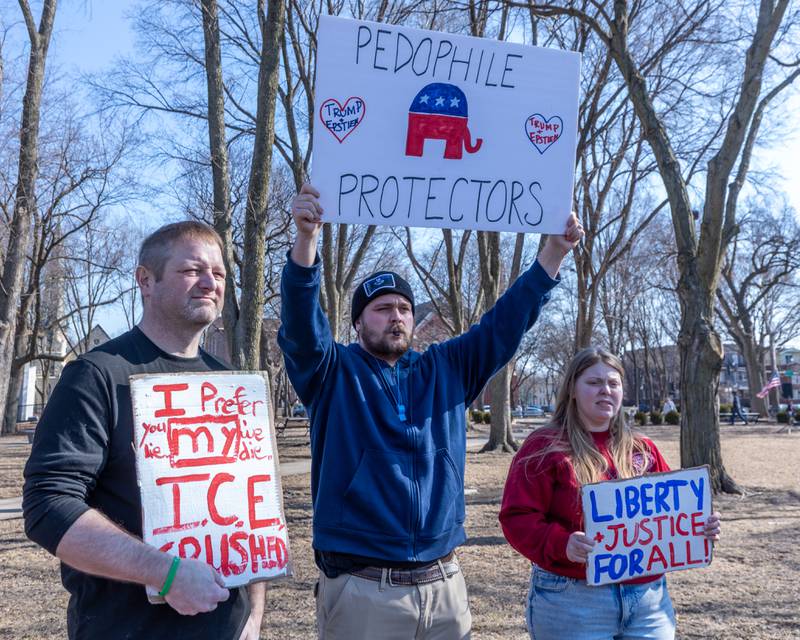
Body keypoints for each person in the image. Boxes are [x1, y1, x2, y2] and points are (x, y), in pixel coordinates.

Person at [278, 183, 584, 639]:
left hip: (444, 587)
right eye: (382, 309)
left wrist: (554, 252)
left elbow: (506, 322)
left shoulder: (448, 367)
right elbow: (303, 327)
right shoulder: (332, 372)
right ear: (358, 322)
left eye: (404, 308)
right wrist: (306, 243)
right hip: (364, 591)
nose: (396, 316)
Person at [23, 222, 264, 639]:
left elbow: (253, 511)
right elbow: (48, 506)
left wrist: (254, 616)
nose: (210, 282)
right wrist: (165, 574)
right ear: (145, 280)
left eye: (220, 274)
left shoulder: (231, 383)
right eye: (192, 270)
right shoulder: (96, 375)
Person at [499, 347, 721, 640]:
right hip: (573, 599)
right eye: (594, 382)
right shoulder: (544, 446)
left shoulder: (643, 449)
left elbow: (670, 514)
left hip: (648, 601)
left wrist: (699, 526)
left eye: (613, 383)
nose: (605, 390)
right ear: (572, 390)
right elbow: (517, 518)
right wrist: (561, 542)